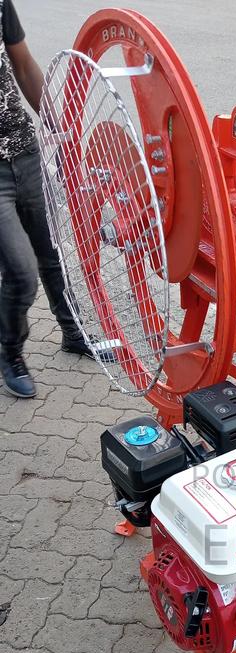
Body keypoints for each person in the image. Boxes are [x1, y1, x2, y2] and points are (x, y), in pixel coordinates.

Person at [0, 0, 98, 399]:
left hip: (25, 152)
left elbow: (22, 64)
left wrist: (59, 127)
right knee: (21, 272)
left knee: (50, 250)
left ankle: (73, 333)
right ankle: (11, 354)